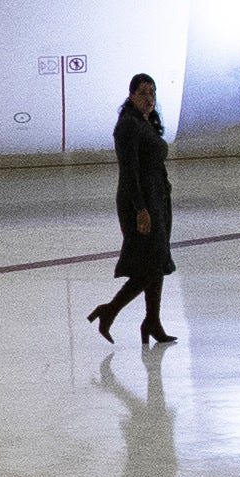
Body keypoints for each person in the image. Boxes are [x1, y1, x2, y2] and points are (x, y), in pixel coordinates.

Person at [89, 73, 178, 345]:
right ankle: (110, 310)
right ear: (131, 96)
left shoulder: (144, 122)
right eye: (143, 93)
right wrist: (141, 209)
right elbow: (129, 172)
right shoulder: (127, 126)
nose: (149, 98)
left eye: (152, 93)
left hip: (156, 199)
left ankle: (152, 321)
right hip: (139, 201)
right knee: (149, 266)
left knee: (158, 261)